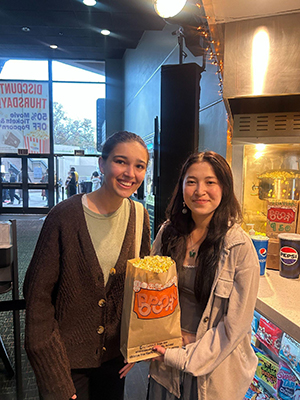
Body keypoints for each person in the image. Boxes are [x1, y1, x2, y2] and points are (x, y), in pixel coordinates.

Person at [23, 131, 151, 400]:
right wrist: (55, 379)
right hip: (67, 362)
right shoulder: (64, 217)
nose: (130, 173)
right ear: (102, 164)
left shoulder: (139, 216)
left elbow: (144, 287)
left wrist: (138, 346)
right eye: (120, 161)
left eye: (139, 166)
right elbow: (37, 299)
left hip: (115, 360)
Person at [147, 151, 260, 400]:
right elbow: (149, 292)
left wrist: (181, 354)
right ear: (182, 186)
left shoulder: (238, 246)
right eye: (191, 181)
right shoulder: (168, 233)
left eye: (210, 182)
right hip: (165, 367)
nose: (200, 190)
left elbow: (235, 328)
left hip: (212, 372)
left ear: (224, 188)